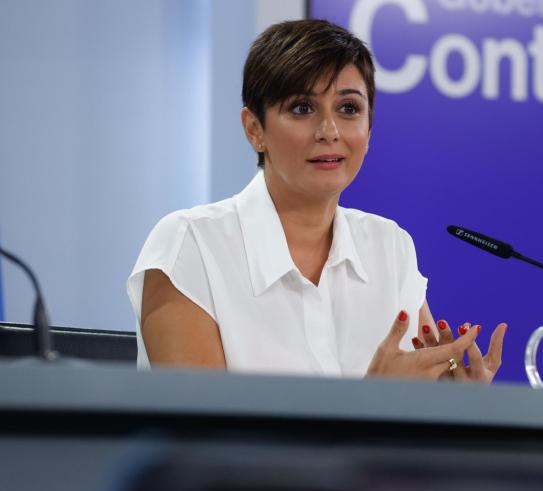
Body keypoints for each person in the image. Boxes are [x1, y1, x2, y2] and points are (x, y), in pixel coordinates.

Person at [127, 19, 507, 381]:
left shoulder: (390, 247)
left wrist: (453, 402)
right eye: (302, 108)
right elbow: (199, 423)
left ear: (369, 130)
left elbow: (416, 405)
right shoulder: (190, 246)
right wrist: (374, 399)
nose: (329, 131)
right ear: (254, 129)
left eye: (349, 109)